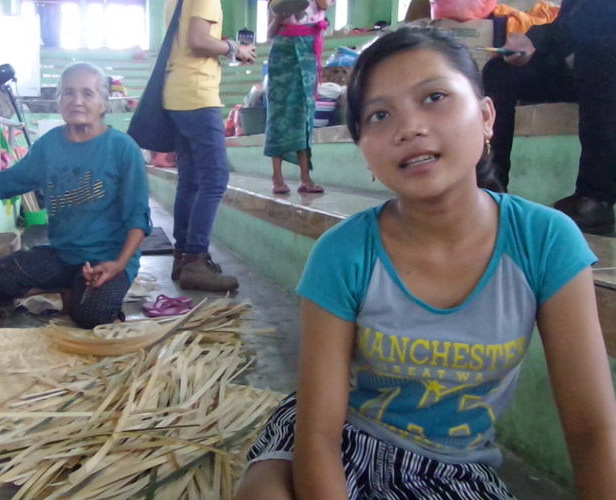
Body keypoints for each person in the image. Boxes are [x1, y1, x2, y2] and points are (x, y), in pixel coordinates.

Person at [235, 28, 616, 500]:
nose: (409, 127)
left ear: (486, 117)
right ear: (365, 153)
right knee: (266, 492)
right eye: (379, 114)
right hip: (343, 438)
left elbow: (591, 428)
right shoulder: (344, 253)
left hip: (453, 468)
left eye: (434, 96)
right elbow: (318, 434)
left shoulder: (545, 242)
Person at [0, 62, 152, 330]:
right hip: (61, 255)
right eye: (68, 93)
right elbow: (10, 180)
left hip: (107, 259)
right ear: (58, 100)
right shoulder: (49, 145)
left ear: (104, 104)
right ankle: (62, 286)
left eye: (88, 94)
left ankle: (74, 291)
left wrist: (118, 264)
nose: (77, 101)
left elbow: (138, 218)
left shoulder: (122, 149)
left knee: (92, 316)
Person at [483, 0, 616, 234]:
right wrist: (528, 42)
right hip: (587, 63)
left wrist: (538, 39)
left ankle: (595, 199)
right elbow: (568, 26)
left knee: (596, 56)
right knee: (500, 70)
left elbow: (598, 22)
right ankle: (490, 187)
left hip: (603, 63)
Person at [164, 0, 255, 293]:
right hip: (197, 95)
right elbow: (198, 40)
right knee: (215, 178)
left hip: (177, 92)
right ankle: (195, 261)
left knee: (190, 181)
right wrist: (234, 48)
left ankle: (182, 257)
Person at [266, 0, 334, 195]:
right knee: (279, 113)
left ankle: (305, 177)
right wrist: (278, 18)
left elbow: (323, 5)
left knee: (305, 111)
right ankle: (277, 176)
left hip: (308, 50)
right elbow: (270, 33)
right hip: (283, 53)